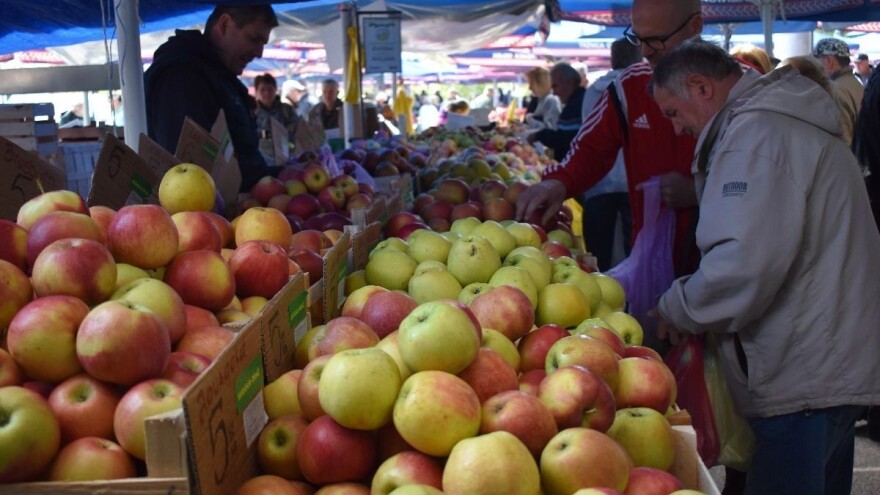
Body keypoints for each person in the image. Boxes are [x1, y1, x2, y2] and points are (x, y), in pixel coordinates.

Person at [651, 38, 880, 495]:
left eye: (673, 113)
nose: (676, 130)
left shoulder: (754, 139)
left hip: (804, 375)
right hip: (829, 365)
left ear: (700, 87)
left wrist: (675, 307)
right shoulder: (776, 125)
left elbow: (741, 268)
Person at [516, 0, 703, 283]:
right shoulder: (629, 88)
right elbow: (592, 147)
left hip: (722, 261)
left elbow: (764, 177)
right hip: (653, 257)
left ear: (695, 27)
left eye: (656, 40)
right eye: (638, 38)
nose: (645, 51)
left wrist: (700, 189)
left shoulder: (736, 86)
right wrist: (560, 181)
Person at [144, 5, 279, 192]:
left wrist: (283, 174)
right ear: (224, 25)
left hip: (243, 209)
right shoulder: (182, 76)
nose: (259, 53)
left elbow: (242, 157)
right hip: (206, 213)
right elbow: (190, 168)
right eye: (254, 39)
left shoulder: (220, 75)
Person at [579, 38, 643, 271]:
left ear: (613, 58)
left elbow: (586, 137)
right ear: (638, 57)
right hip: (634, 180)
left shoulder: (593, 90)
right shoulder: (642, 87)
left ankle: (602, 292)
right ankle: (631, 300)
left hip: (598, 180)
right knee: (635, 251)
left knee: (598, 253)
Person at [813, 38, 864, 145]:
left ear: (829, 61)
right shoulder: (856, 84)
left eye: (817, 60)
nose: (815, 66)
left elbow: (843, 139)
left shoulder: (835, 89)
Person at [530, 63, 586, 160]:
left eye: (555, 86)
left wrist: (538, 135)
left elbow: (563, 138)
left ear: (569, 82)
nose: (554, 92)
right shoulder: (576, 101)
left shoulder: (577, 104)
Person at [254, 73, 298, 141]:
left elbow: (297, 128)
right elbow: (250, 133)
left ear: (275, 90)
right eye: (262, 90)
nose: (266, 93)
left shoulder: (286, 110)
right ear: (257, 92)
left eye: (270, 89)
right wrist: (271, 135)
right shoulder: (252, 112)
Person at [523, 66, 561, 131]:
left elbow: (550, 129)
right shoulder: (542, 99)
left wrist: (530, 119)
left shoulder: (551, 100)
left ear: (541, 83)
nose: (530, 88)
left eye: (532, 84)